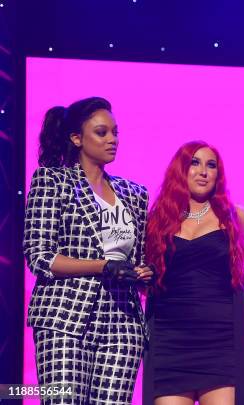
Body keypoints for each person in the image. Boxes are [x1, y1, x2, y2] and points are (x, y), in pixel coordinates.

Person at [23, 96, 154, 404]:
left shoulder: (134, 194)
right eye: (102, 132)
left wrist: (145, 273)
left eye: (115, 132)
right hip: (64, 319)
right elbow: (40, 256)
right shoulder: (52, 181)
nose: (112, 140)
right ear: (76, 138)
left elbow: (142, 259)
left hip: (121, 323)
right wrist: (101, 266)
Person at [144, 141, 244, 405]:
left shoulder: (234, 217)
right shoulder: (157, 220)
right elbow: (147, 276)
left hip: (220, 344)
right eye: (194, 163)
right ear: (180, 170)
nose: (203, 171)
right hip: (170, 342)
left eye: (211, 165)